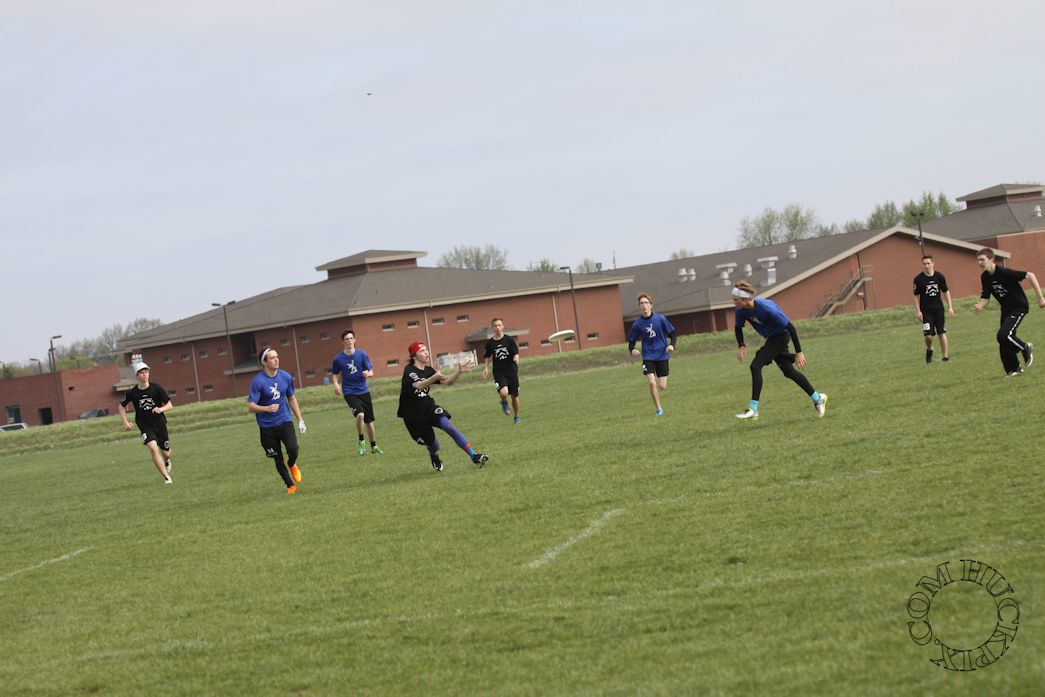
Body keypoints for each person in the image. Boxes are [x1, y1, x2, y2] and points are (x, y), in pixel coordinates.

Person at [731, 281, 827, 420]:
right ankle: (818, 398)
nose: (733, 302)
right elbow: (738, 327)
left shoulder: (766, 309)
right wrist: (741, 345)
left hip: (781, 336)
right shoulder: (740, 310)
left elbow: (790, 327)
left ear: (745, 299)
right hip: (772, 338)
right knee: (789, 372)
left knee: (755, 366)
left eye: (736, 299)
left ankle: (753, 409)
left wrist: (799, 352)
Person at [397, 341, 488, 471]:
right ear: (414, 356)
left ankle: (474, 456)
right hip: (413, 417)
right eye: (422, 351)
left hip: (428, 408)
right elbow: (419, 385)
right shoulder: (409, 371)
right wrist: (434, 377)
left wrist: (459, 371)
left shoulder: (429, 370)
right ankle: (434, 455)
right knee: (434, 445)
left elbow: (448, 381)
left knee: (448, 426)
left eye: (426, 350)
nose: (426, 352)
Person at [973, 248, 1045, 376]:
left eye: (982, 260)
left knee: (1004, 335)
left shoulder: (1004, 272)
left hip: (1018, 307)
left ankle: (1025, 347)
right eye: (978, 260)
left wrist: (1040, 298)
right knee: (1003, 339)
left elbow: (1030, 275)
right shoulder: (985, 277)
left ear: (991, 259)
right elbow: (985, 297)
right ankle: (1014, 369)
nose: (980, 263)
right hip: (1006, 309)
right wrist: (980, 305)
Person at [248, 349, 307, 494]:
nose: (276, 360)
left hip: (285, 420)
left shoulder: (285, 377)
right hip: (267, 427)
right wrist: (266, 408)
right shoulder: (258, 382)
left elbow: (291, 398)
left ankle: (291, 464)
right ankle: (290, 486)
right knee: (277, 458)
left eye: (277, 357)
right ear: (264, 362)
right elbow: (251, 406)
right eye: (272, 358)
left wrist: (300, 419)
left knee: (293, 449)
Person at [118, 361, 174, 484]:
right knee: (153, 448)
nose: (145, 375)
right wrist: (125, 423)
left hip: (160, 424)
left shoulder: (156, 388)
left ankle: (167, 460)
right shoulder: (132, 392)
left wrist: (161, 409)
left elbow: (170, 405)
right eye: (142, 373)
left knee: (167, 453)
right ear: (137, 376)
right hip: (145, 426)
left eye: (146, 372)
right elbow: (121, 406)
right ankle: (167, 477)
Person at [332, 329, 382, 455]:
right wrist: (336, 384)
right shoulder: (338, 359)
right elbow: (335, 373)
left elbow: (371, 371)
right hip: (349, 391)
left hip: (363, 390)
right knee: (360, 415)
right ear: (343, 342)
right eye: (346, 339)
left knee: (369, 422)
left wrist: (368, 374)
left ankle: (374, 446)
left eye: (351, 338)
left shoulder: (362, 354)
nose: (349, 341)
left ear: (354, 340)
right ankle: (361, 441)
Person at [627, 293, 676, 416]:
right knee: (652, 383)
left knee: (662, 386)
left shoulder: (660, 319)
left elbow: (672, 334)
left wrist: (671, 345)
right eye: (641, 303)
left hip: (662, 355)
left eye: (646, 303)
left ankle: (659, 391)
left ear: (651, 305)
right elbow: (631, 341)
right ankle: (659, 409)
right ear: (639, 306)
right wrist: (632, 350)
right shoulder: (637, 324)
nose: (644, 305)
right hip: (648, 356)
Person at [913, 255, 955, 363]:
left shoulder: (939, 277)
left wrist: (950, 307)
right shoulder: (918, 279)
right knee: (928, 336)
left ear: (933, 263)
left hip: (938, 309)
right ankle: (929, 349)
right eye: (924, 264)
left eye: (928, 263)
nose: (926, 266)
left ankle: (945, 357)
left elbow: (946, 291)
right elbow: (916, 295)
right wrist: (918, 311)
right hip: (926, 312)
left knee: (942, 332)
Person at [482, 318, 521, 424]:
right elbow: (487, 356)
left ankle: (517, 417)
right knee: (504, 393)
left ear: (503, 326)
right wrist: (486, 367)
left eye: (499, 325)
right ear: (493, 328)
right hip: (499, 372)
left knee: (514, 396)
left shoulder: (509, 340)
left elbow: (516, 353)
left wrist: (516, 358)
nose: (497, 327)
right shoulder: (490, 343)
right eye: (495, 326)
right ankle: (504, 402)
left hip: (511, 371)